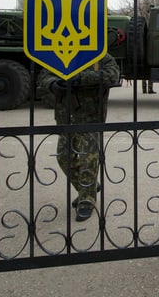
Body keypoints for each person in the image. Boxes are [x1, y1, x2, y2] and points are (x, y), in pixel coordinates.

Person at [40, 53, 120, 222]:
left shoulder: (100, 56)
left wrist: (79, 78)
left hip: (90, 118)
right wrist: (53, 84)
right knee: (64, 157)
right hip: (66, 118)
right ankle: (89, 187)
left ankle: (86, 200)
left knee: (88, 160)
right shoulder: (59, 54)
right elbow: (44, 76)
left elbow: (113, 75)